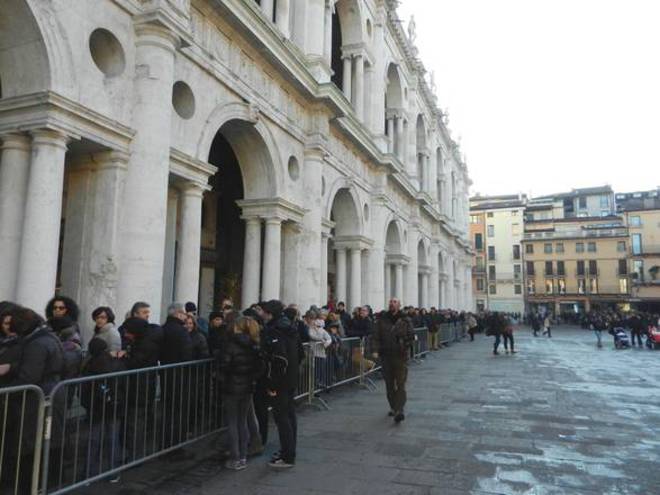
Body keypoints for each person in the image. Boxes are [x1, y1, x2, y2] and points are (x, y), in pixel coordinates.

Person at [261, 300, 303, 469]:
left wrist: (272, 383)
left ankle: (288, 455)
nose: (262, 314)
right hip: (291, 377)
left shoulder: (275, 330)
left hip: (282, 380)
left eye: (264, 311)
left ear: (270, 313)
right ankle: (289, 449)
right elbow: (300, 352)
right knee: (289, 414)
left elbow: (279, 360)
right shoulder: (290, 328)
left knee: (282, 417)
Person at [219, 317, 264, 471]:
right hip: (247, 386)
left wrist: (222, 378)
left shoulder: (231, 345)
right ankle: (243, 456)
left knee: (232, 422)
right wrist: (251, 378)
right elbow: (260, 366)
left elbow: (223, 366)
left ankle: (235, 457)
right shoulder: (254, 344)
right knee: (242, 422)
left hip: (232, 387)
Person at [80, 338, 125, 482]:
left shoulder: (90, 364)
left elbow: (86, 388)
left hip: (96, 407)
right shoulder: (115, 362)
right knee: (112, 438)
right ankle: (113, 472)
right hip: (114, 405)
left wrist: (86, 404)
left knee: (94, 438)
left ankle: (88, 473)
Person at [371, 298, 415, 423]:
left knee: (401, 383)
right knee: (389, 384)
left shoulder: (405, 319)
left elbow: (411, 336)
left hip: (400, 355)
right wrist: (375, 350)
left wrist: (405, 345)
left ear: (399, 305)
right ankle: (393, 406)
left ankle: (399, 409)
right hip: (386, 355)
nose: (392, 304)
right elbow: (376, 336)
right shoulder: (382, 319)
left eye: (395, 302)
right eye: (390, 302)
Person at [46, 296, 83, 379]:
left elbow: (72, 353)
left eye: (61, 308)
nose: (57, 310)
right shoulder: (48, 325)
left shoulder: (72, 328)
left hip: (64, 372)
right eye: (54, 308)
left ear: (67, 310)